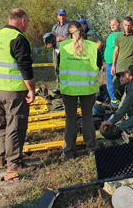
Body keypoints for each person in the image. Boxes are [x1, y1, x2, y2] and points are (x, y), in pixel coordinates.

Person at [0, 8, 35, 173]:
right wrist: (31, 89)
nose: (27, 25)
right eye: (27, 22)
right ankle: (14, 162)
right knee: (15, 126)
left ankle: (2, 157)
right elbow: (25, 67)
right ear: (22, 20)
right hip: (13, 90)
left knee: (1, 125)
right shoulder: (18, 38)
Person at [58, 21, 102, 160]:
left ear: (69, 33)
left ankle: (69, 151)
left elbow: (58, 65)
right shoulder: (92, 47)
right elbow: (99, 65)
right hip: (87, 87)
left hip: (69, 88)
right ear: (83, 31)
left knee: (70, 119)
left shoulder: (64, 47)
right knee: (87, 117)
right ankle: (91, 149)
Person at [111, 17, 133, 101]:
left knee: (131, 89)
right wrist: (113, 66)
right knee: (116, 86)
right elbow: (116, 52)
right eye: (125, 25)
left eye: (129, 25)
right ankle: (120, 104)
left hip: (131, 67)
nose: (127, 27)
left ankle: (131, 108)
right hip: (120, 67)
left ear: (132, 25)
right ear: (122, 25)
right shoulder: (119, 37)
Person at [49, 9, 70, 88]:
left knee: (65, 69)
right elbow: (52, 38)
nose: (62, 17)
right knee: (56, 69)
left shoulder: (69, 26)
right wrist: (50, 44)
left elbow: (73, 39)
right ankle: (58, 87)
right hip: (56, 50)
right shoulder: (55, 27)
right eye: (60, 15)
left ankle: (66, 87)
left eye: (63, 15)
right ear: (57, 16)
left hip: (66, 51)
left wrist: (63, 39)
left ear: (66, 16)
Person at [104, 19, 122, 106]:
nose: (112, 26)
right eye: (111, 25)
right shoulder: (110, 36)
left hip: (117, 63)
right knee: (109, 83)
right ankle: (113, 100)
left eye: (114, 24)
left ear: (119, 25)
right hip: (108, 63)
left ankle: (119, 99)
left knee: (117, 82)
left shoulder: (121, 35)